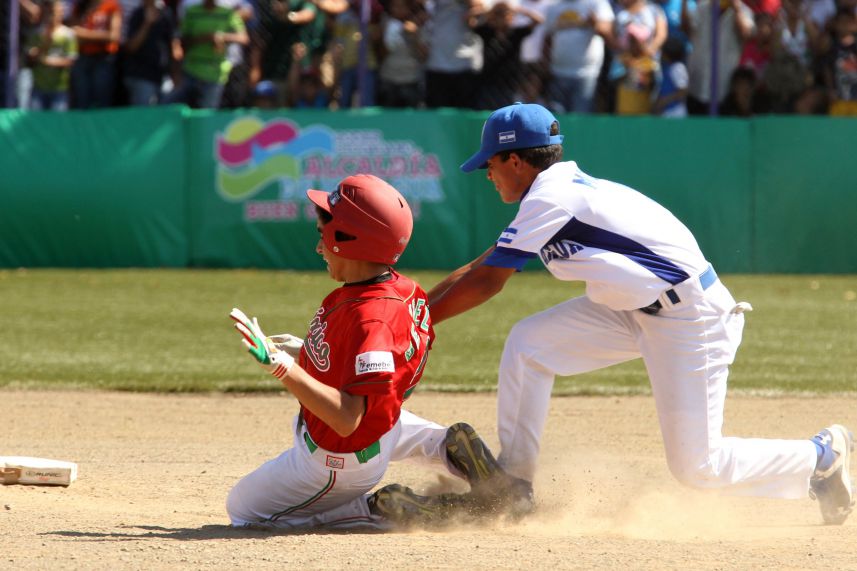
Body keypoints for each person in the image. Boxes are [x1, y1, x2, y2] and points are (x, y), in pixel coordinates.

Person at [426, 102, 854, 525]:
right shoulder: (551, 195)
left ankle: (822, 456)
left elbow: (487, 282)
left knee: (698, 467)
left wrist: (418, 329)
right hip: (632, 309)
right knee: (529, 344)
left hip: (690, 319)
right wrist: (416, 313)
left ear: (516, 161)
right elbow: (481, 267)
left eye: (490, 162)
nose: (487, 173)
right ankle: (514, 485)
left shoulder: (552, 198)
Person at [226, 174, 514, 530]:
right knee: (390, 418)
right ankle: (454, 453)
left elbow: (348, 419)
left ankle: (374, 508)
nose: (319, 247)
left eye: (323, 235)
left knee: (242, 511)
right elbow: (383, 366)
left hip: (339, 458)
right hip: (384, 426)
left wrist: (281, 366)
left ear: (348, 238)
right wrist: (307, 353)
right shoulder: (405, 291)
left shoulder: (369, 319)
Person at [164, 0, 248, 109]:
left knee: (207, 113)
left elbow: (244, 38)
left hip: (215, 74)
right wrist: (204, 38)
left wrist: (221, 37)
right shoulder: (192, 11)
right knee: (170, 104)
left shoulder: (227, 13)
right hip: (190, 71)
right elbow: (182, 40)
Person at [123, 0, 178, 105]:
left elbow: (174, 46)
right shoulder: (137, 15)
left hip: (163, 77)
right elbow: (131, 47)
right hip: (140, 76)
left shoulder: (166, 14)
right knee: (144, 115)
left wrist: (175, 73)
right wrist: (147, 23)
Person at [70, 0, 123, 108]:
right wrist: (96, 37)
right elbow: (73, 32)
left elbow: (114, 36)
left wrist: (86, 35)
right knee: (82, 100)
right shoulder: (80, 6)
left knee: (102, 99)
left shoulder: (111, 5)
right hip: (82, 58)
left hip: (103, 59)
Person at [28, 0, 77, 111]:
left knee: (57, 122)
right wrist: (44, 43)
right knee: (36, 121)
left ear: (61, 13)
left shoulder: (68, 35)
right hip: (39, 86)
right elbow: (30, 58)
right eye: (49, 12)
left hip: (60, 88)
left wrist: (47, 61)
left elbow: (71, 60)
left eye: (54, 12)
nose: (51, 16)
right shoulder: (38, 33)